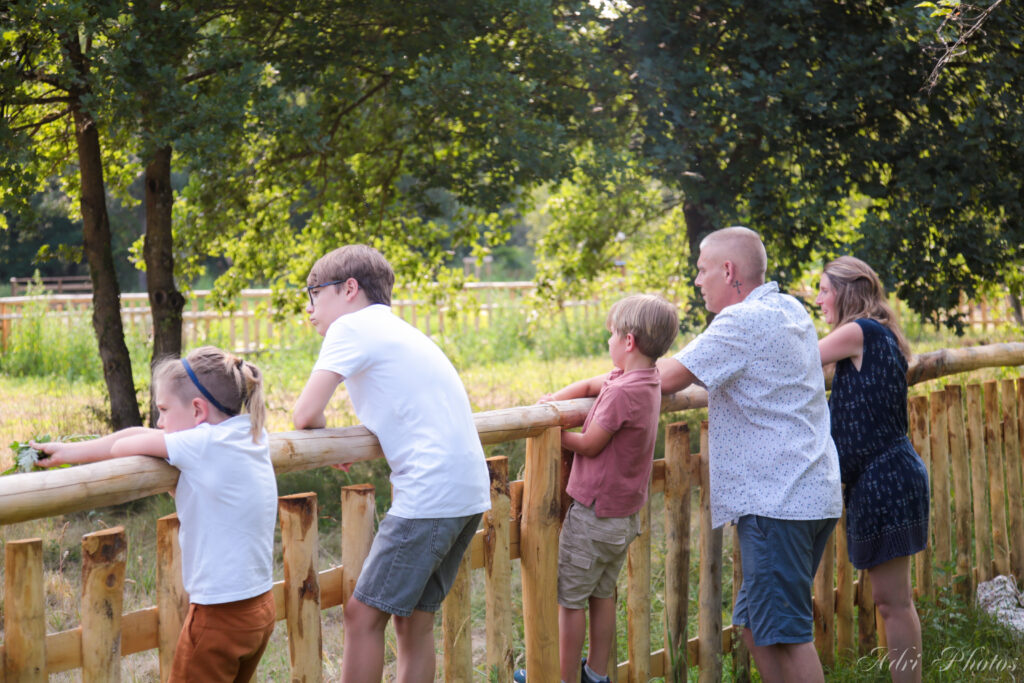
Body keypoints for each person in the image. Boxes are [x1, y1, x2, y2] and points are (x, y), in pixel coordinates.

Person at [292, 244, 490, 683]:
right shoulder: (401, 330)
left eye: (313, 293)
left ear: (349, 289)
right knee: (414, 620)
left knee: (362, 616)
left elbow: (305, 414)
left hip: (430, 495)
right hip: (467, 490)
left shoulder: (352, 329)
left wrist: (325, 436)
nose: (309, 310)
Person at [656, 226, 843, 683]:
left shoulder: (741, 323)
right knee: (758, 627)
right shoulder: (788, 308)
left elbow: (663, 378)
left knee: (786, 635)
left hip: (776, 500)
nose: (697, 281)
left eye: (702, 271)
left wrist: (593, 383)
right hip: (809, 491)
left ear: (727, 270)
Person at [35, 346, 278, 683]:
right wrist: (70, 452)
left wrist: (87, 451)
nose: (160, 423)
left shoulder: (203, 444)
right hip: (260, 607)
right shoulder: (249, 433)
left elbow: (124, 447)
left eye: (163, 410)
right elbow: (139, 434)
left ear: (197, 411)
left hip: (219, 615)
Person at [514, 294, 679, 683]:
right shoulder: (645, 379)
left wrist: (554, 431)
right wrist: (555, 400)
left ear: (629, 342)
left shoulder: (622, 393)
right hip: (622, 519)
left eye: (611, 335)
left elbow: (590, 444)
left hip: (593, 517)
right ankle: (596, 674)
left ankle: (561, 677)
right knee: (602, 594)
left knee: (569, 601)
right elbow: (591, 382)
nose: (608, 342)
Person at [816, 256, 928, 682]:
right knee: (892, 600)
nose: (820, 299)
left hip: (886, 479)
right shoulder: (874, 333)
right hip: (886, 477)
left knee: (892, 602)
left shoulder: (859, 330)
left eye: (825, 290)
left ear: (847, 290)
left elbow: (796, 358)